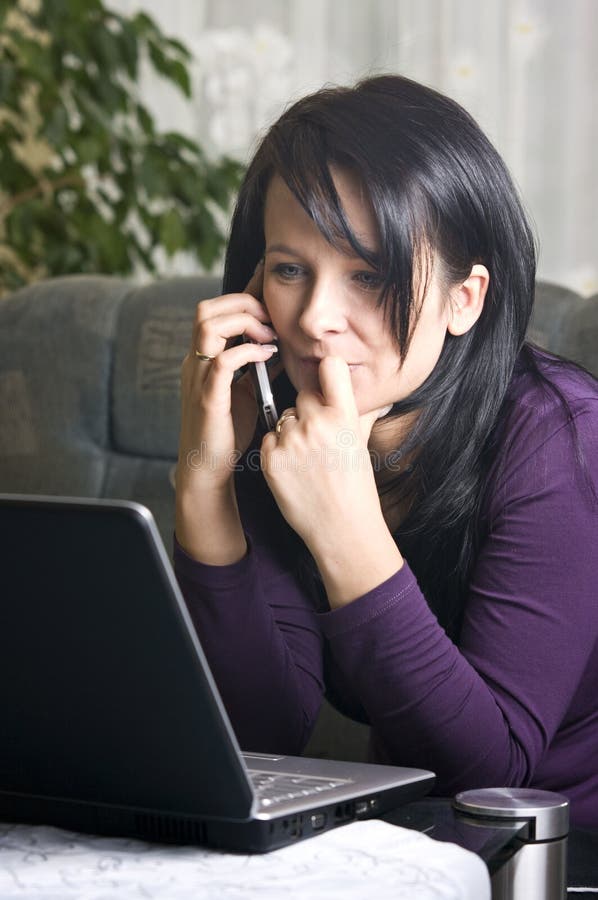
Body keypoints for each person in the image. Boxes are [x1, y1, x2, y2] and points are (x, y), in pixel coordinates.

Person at [173, 74, 598, 828]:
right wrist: (206, 484)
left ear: (464, 300)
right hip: (408, 843)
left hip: (560, 850)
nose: (313, 320)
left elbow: (488, 775)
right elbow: (262, 739)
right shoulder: (279, 428)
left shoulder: (561, 439)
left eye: (369, 274)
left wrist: (344, 526)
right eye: (289, 268)